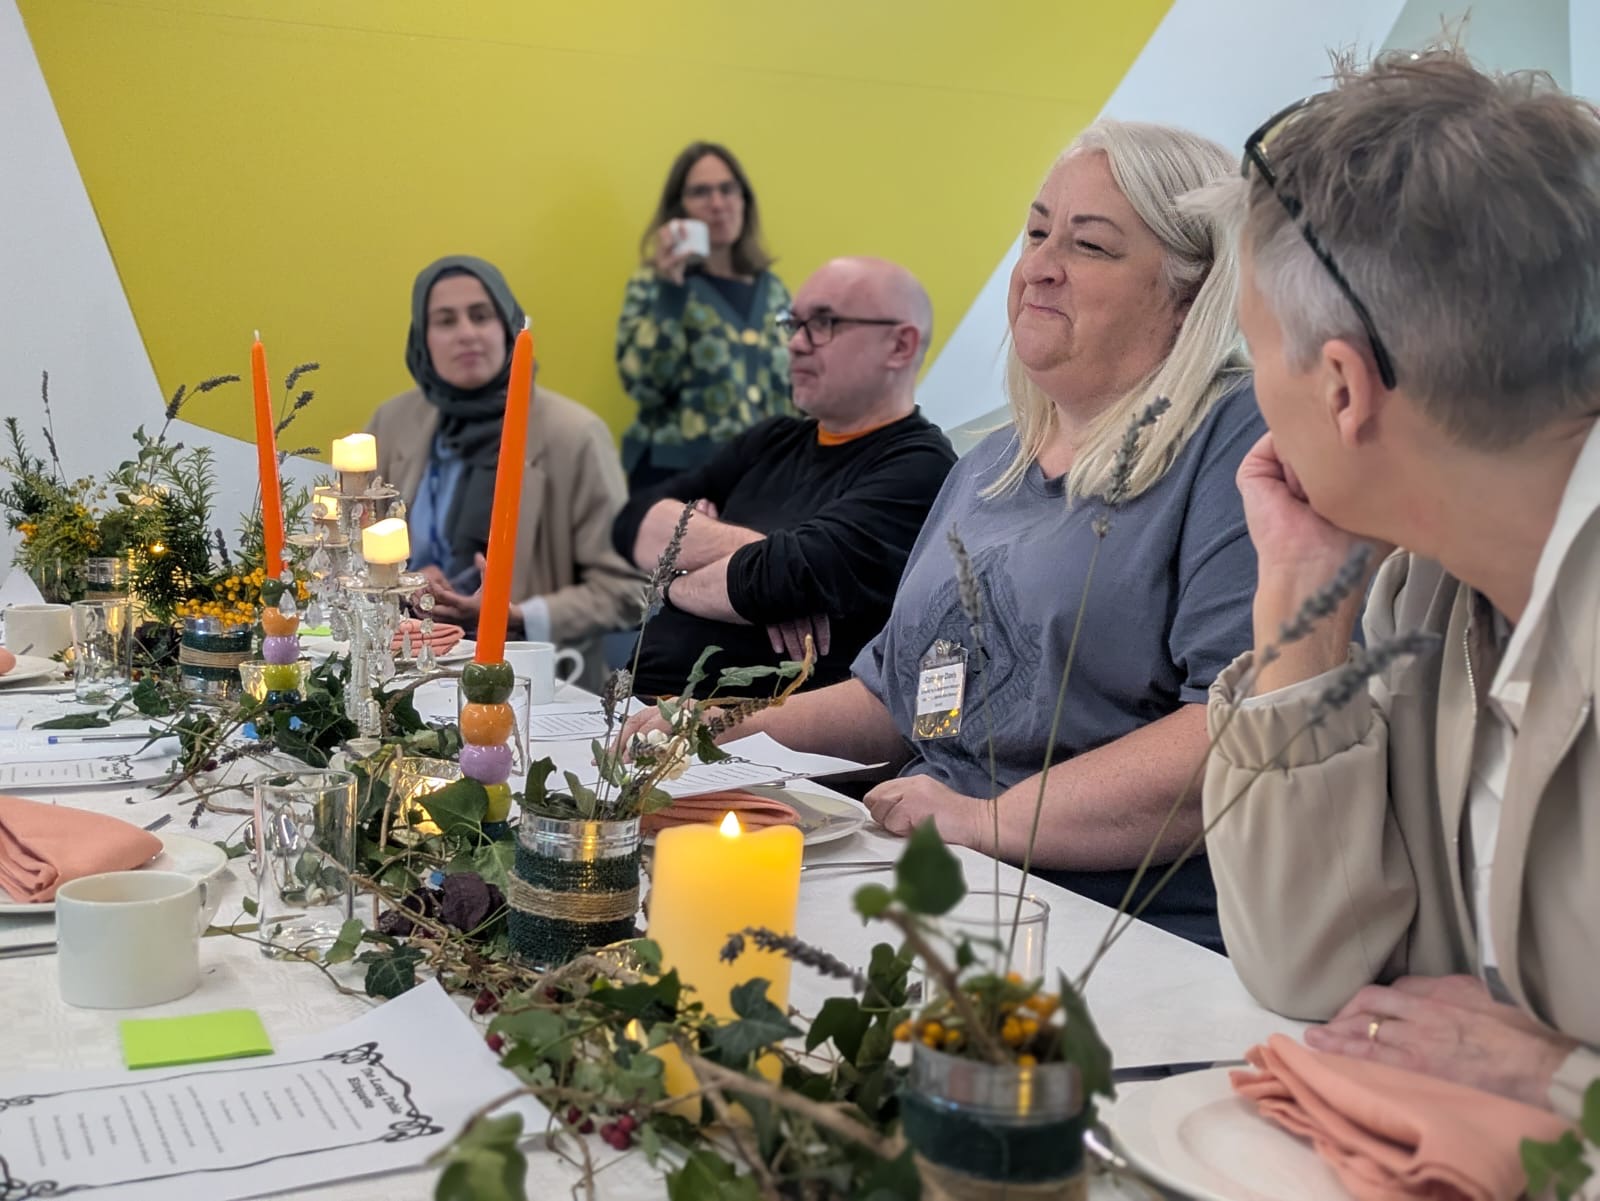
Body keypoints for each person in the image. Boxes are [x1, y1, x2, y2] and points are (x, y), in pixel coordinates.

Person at [626, 121, 1262, 950]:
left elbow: (1237, 729)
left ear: (1192, 286)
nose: (1039, 265)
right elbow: (896, 700)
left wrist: (985, 820)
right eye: (1036, 232)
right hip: (927, 882)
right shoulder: (989, 462)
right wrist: (711, 727)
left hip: (1107, 930)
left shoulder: (1235, 437)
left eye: (1091, 245)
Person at [1200, 51, 1600, 1119]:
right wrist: (1295, 593)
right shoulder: (1413, 591)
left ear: (1339, 386)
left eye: (1253, 360)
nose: (1252, 409)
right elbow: (1304, 970)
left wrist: (1558, 1084)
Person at [611, 257, 957, 698]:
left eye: (823, 322)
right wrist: (758, 562)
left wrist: (674, 581)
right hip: (633, 706)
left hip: (755, 739)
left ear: (899, 346)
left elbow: (789, 574)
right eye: (793, 324)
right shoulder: (772, 440)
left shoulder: (921, 466)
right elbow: (634, 522)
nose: (795, 344)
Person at [367, 255, 643, 689]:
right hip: (401, 671)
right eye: (445, 320)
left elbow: (627, 591)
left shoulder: (573, 435)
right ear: (423, 339)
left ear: (508, 327)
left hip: (533, 682)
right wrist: (403, 584)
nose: (467, 333)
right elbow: (350, 552)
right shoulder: (392, 423)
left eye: (482, 315)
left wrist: (513, 614)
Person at [616, 142, 793, 491]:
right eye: (701, 192)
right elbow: (645, 384)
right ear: (679, 209)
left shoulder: (773, 291)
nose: (717, 203)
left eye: (728, 189)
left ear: (744, 199)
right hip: (678, 483)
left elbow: (796, 388)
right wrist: (671, 290)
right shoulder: (652, 285)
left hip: (761, 481)